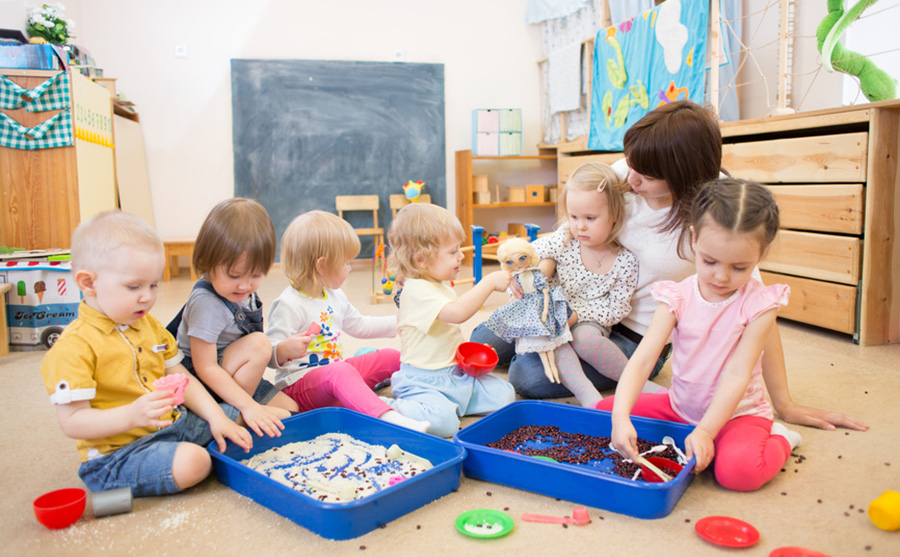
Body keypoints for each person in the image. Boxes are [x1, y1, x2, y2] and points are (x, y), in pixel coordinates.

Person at [478, 100, 868, 433]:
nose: (630, 179)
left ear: (682, 175)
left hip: (635, 336)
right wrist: (537, 278)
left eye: (646, 177)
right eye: (631, 163)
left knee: (525, 376)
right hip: (575, 302)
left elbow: (758, 309)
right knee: (485, 337)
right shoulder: (630, 169)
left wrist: (785, 404)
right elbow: (569, 230)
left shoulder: (715, 215)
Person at [601, 179, 797, 492]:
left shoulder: (760, 304)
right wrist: (621, 416)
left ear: (761, 254)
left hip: (737, 416)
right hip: (680, 407)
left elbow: (737, 374)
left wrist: (706, 430)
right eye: (710, 261)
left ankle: (782, 438)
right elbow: (643, 360)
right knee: (605, 414)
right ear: (694, 238)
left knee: (739, 474)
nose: (721, 276)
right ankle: (688, 430)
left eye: (739, 267)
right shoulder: (676, 296)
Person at [40, 211, 252, 497]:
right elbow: (73, 422)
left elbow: (180, 376)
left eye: (153, 285)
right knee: (195, 462)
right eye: (134, 286)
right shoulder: (73, 348)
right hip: (119, 455)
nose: (147, 297)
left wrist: (216, 417)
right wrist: (131, 415)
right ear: (88, 283)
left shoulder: (148, 324)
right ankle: (199, 457)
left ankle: (203, 445)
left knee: (240, 419)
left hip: (175, 423)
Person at [473, 162, 658, 403]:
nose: (580, 225)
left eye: (590, 218)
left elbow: (617, 308)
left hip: (587, 321)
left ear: (615, 215)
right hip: (548, 312)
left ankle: (633, 381)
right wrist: (523, 281)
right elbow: (530, 255)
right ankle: (587, 395)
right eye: (573, 216)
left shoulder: (625, 260)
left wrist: (573, 316)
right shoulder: (565, 237)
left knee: (583, 341)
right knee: (483, 342)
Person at [265, 211, 430, 432]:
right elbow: (268, 355)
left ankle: (430, 384)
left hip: (336, 375)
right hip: (298, 386)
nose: (350, 269)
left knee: (391, 357)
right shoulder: (288, 304)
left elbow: (359, 325)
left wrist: (399, 321)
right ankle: (388, 417)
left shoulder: (334, 294)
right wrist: (284, 350)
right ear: (322, 266)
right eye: (346, 263)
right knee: (341, 373)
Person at [385, 203, 516, 437]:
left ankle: (451, 404)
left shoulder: (438, 285)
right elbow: (457, 313)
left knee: (505, 394)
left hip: (454, 375)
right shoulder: (415, 291)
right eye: (453, 251)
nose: (461, 255)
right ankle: (388, 409)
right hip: (423, 381)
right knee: (444, 423)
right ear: (421, 260)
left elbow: (445, 333)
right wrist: (487, 283)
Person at [175, 198, 298, 439]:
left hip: (234, 374)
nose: (244, 285)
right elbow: (205, 367)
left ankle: (242, 410)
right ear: (207, 263)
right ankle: (234, 414)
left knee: (292, 411)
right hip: (203, 382)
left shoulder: (241, 290)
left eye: (255, 274)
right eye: (234, 275)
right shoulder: (207, 303)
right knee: (259, 343)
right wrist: (249, 406)